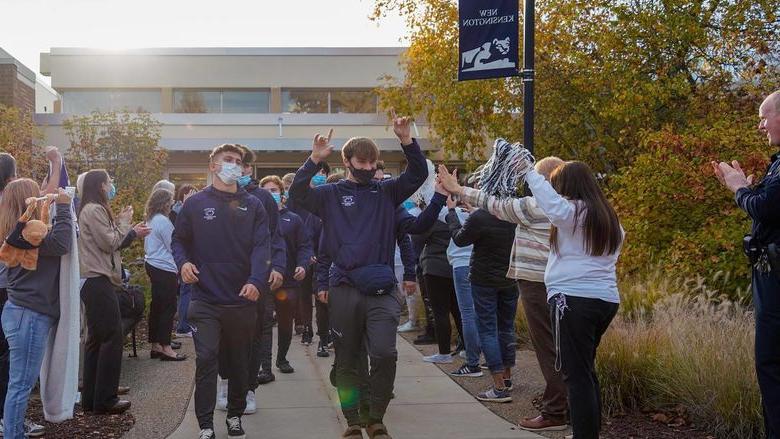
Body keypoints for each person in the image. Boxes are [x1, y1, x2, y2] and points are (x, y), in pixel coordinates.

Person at [288, 111, 427, 439]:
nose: (366, 168)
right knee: (347, 357)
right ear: (347, 161)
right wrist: (312, 160)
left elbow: (418, 173)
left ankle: (376, 416)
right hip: (344, 288)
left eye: (371, 163)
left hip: (380, 289)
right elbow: (296, 194)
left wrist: (406, 140)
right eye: (360, 162)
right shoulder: (330, 195)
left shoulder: (388, 192)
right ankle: (352, 419)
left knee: (384, 352)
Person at [460, 158, 621, 439]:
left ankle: (585, 435)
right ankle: (589, 430)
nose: (555, 191)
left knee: (576, 374)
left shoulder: (570, 212)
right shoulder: (606, 216)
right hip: (605, 299)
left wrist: (527, 173)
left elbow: (551, 204)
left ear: (568, 186)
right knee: (585, 370)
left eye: (558, 186)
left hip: (574, 300)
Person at [439, 158, 569, 429]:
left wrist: (458, 195)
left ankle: (506, 389)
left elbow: (470, 230)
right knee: (509, 329)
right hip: (523, 282)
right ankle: (511, 380)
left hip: (511, 280)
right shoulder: (568, 208)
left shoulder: (531, 208)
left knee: (493, 330)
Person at [172, 143, 271, 439]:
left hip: (241, 300)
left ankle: (235, 415)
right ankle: (205, 425)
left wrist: (256, 280)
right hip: (205, 299)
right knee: (206, 358)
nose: (233, 165)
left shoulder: (254, 205)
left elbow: (261, 247)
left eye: (238, 161)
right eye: (227, 160)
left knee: (240, 362)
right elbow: (179, 241)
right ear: (213, 165)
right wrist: (183, 263)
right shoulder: (194, 204)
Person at [712, 90, 780, 438]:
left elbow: (766, 207)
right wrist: (746, 192)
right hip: (768, 274)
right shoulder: (776, 163)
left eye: (764, 115)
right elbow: (766, 205)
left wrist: (740, 190)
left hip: (776, 282)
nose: (760, 124)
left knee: (771, 363)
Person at [0, 181, 72, 439]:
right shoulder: (29, 232)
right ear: (27, 199)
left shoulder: (15, 230)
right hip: (28, 314)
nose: (41, 197)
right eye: (36, 194)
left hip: (20, 311)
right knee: (20, 385)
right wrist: (64, 208)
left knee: (18, 384)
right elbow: (62, 243)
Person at [78, 170, 150, 415]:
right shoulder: (94, 210)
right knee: (111, 336)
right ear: (99, 185)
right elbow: (110, 242)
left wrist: (128, 230)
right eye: (109, 182)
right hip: (97, 279)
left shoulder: (92, 209)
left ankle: (91, 396)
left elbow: (111, 240)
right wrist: (126, 225)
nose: (112, 186)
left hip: (96, 279)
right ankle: (105, 398)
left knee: (97, 339)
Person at [445, 183, 517, 400]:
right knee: (506, 328)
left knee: (487, 330)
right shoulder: (514, 214)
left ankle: (498, 387)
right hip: (510, 278)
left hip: (483, 279)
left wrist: (451, 213)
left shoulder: (480, 218)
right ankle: (507, 377)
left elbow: (459, 239)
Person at [0, 162, 46, 438]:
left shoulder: (8, 222)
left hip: (8, 294)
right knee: (12, 368)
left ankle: (8, 420)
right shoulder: (25, 230)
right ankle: (10, 423)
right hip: (12, 295)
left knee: (7, 363)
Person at [260, 175, 313, 374]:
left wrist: (302, 265)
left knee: (285, 323)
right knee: (264, 323)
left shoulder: (294, 219)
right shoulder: (256, 219)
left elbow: (305, 246)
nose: (270, 194)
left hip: (289, 281)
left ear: (282, 194)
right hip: (263, 280)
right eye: (265, 191)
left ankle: (282, 358)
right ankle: (265, 367)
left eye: (274, 190)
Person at [144, 189, 187, 361]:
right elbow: (173, 245)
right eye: (170, 200)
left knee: (157, 306)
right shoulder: (163, 221)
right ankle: (166, 347)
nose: (172, 203)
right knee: (167, 308)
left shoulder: (151, 219)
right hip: (164, 267)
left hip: (152, 263)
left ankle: (155, 344)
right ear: (164, 203)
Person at [441, 194, 480, 378]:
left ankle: (472, 362)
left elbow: (430, 209)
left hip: (461, 265)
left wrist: (449, 205)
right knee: (484, 314)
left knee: (468, 315)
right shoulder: (484, 213)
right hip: (479, 264)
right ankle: (490, 358)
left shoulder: (453, 213)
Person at [172, 184, 198, 337]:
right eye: (190, 193)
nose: (194, 196)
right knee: (186, 292)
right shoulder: (178, 211)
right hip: (184, 259)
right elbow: (178, 237)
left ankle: (185, 324)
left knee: (187, 291)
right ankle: (183, 326)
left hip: (188, 258)